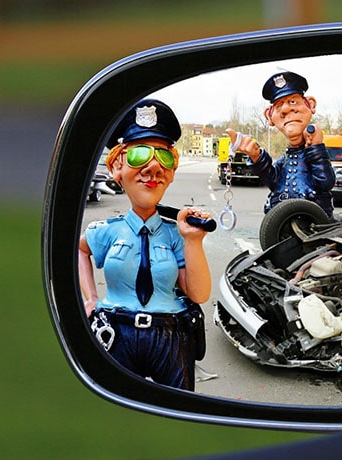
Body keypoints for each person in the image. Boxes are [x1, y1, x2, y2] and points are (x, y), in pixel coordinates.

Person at [78, 99, 212, 391]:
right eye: (139, 155)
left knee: (178, 409)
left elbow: (199, 292)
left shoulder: (176, 232)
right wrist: (89, 299)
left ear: (173, 170)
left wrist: (193, 240)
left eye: (163, 157)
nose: (153, 167)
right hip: (117, 333)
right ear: (116, 167)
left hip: (171, 335)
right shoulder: (107, 232)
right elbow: (80, 249)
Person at [226, 71, 335, 216]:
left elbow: (325, 182)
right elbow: (273, 180)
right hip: (279, 226)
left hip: (312, 225)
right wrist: (256, 156)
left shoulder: (310, 153)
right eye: (279, 106)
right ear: (269, 116)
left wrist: (316, 149)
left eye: (293, 101)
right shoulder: (285, 159)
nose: (286, 109)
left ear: (311, 105)